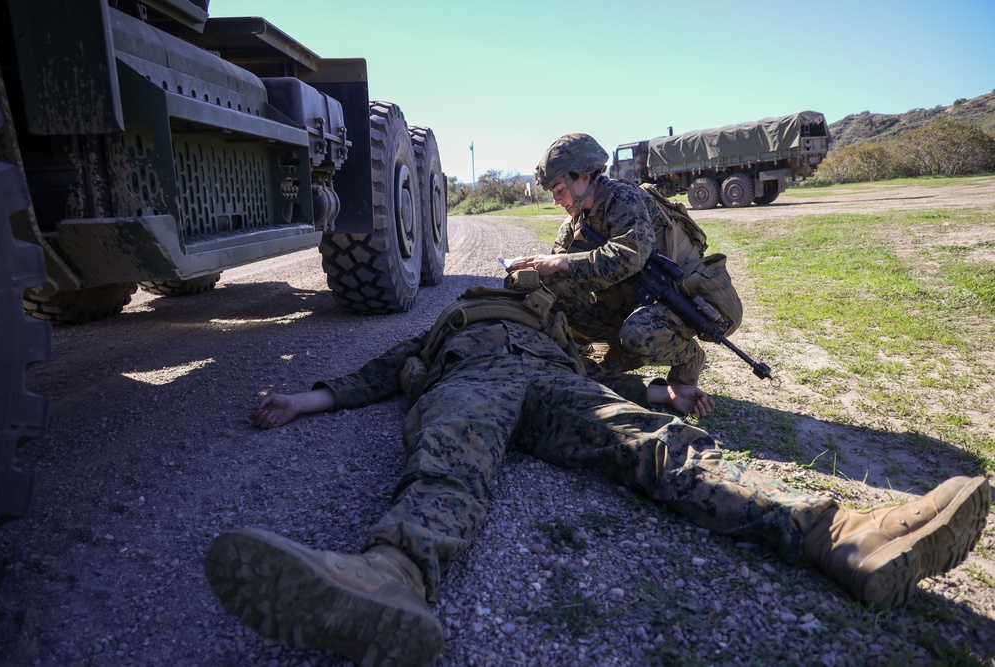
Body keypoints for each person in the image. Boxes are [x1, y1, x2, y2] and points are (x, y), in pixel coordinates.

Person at [204, 273, 990, 667]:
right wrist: (306, 399)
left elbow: (605, 384)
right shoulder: (456, 319)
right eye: (519, 288)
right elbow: (383, 367)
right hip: (470, 381)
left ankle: (849, 535)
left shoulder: (555, 336)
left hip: (558, 387)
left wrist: (664, 393)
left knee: (658, 442)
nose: (524, 291)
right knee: (450, 453)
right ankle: (392, 574)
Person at [507, 133, 710, 385]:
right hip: (626, 302)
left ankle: (688, 356)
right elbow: (560, 266)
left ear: (584, 176)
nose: (556, 200)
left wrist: (563, 263)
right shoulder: (576, 220)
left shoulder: (624, 199)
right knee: (545, 291)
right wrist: (532, 268)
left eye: (559, 190)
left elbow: (630, 256)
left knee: (636, 336)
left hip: (666, 304)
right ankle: (610, 345)